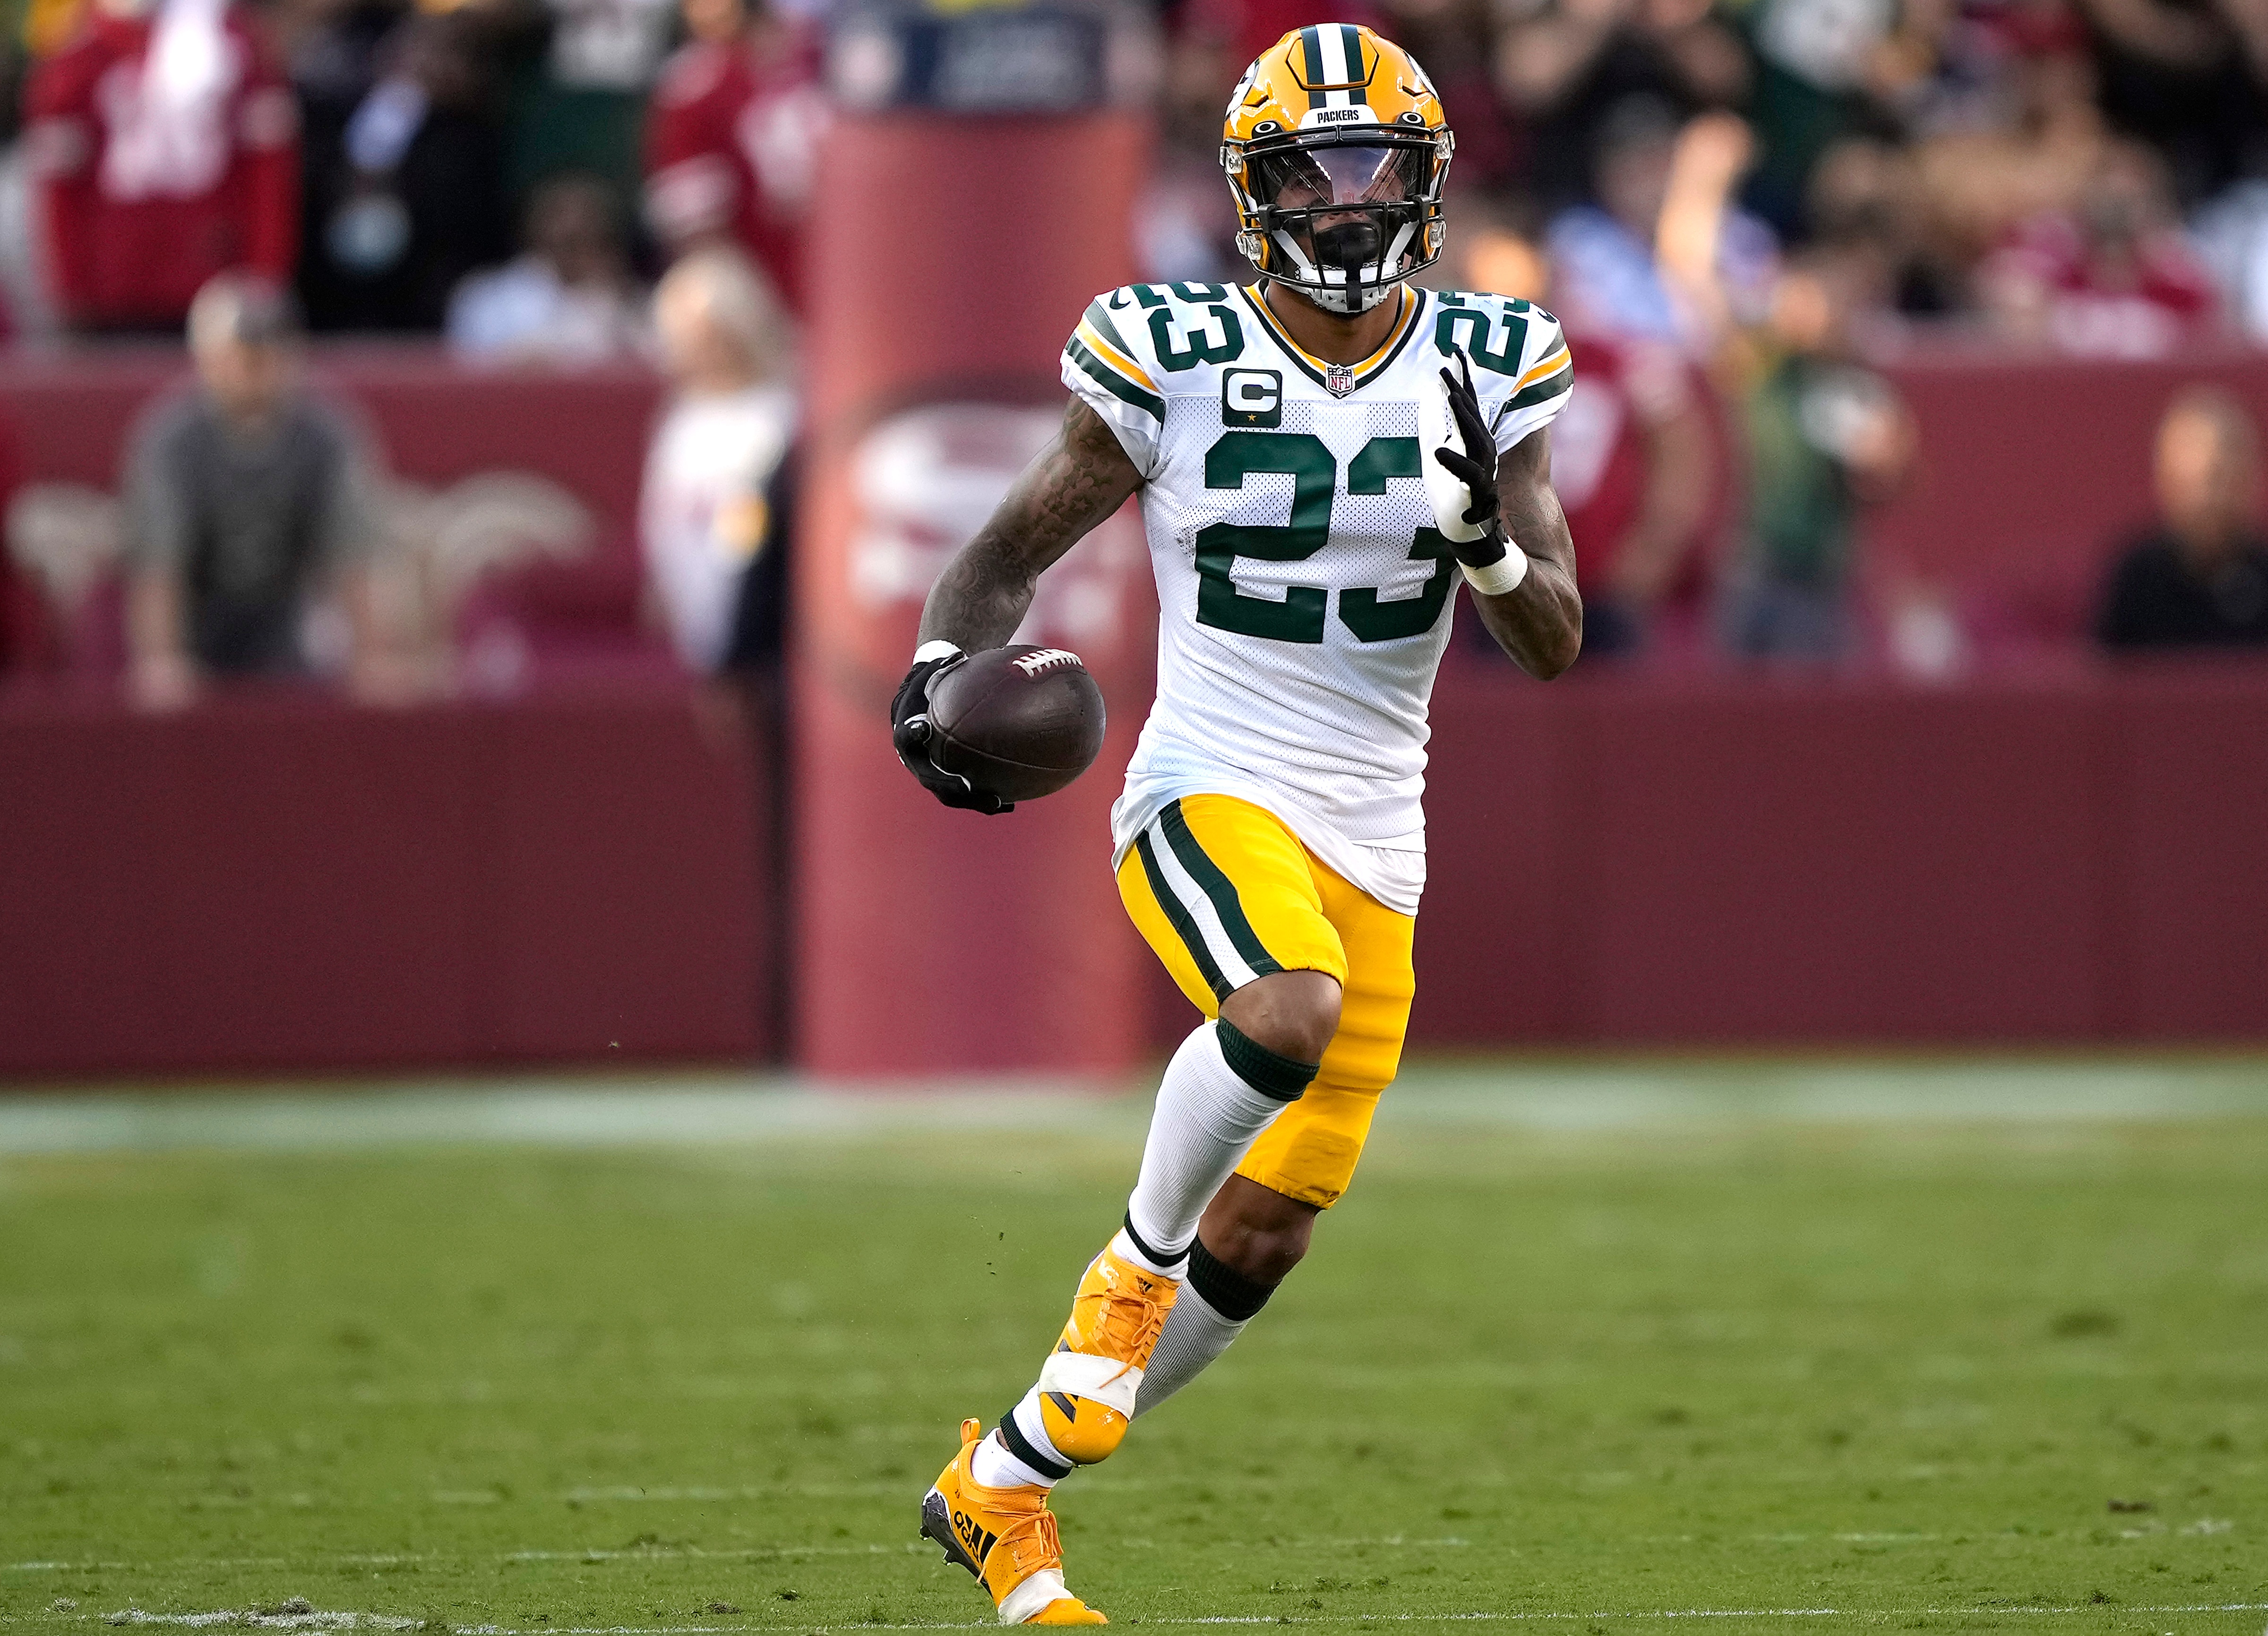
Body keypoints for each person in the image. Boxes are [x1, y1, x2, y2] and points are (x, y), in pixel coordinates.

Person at [891, 26, 1581, 1625]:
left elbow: (1551, 640)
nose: (1347, 206)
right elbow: (1006, 552)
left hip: (1377, 833)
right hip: (1208, 782)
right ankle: (1119, 1290)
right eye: (1313, 174)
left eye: (1376, 168)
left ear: (1427, 178)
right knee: (1282, 1013)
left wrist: (1486, 543)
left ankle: (1001, 1492)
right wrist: (937, 666)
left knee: (1267, 1233)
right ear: (1252, 195)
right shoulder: (1171, 347)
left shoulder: (1495, 356)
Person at [120, 273, 390, 708]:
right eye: (239, 356)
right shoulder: (172, 437)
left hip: (285, 633)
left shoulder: (326, 433)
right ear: (205, 357)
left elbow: (354, 555)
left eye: (268, 355)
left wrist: (372, 659)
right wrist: (161, 660)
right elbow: (158, 565)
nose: (254, 371)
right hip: (196, 632)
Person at [26, 0, 299, 334]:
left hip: (216, 283)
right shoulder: (75, 63)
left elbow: (268, 176)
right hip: (113, 291)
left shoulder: (238, 48)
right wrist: (71, 288)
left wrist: (264, 275)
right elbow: (60, 193)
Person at [638, 248, 795, 670]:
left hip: (758, 621)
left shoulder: (778, 415)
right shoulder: (681, 422)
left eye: (708, 337)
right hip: (691, 612)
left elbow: (754, 525)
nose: (698, 352)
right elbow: (661, 514)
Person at [641, 0, 823, 310]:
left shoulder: (828, 49)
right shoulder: (692, 88)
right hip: (773, 305)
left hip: (860, 288)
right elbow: (699, 239)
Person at [2095, 385, 2268, 648]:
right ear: (2165, 477)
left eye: (2222, 478)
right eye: (2196, 481)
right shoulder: (2136, 579)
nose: (2210, 499)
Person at [447, 172, 648, 364]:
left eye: (586, 237)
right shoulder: (487, 299)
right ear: (533, 231)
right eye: (568, 241)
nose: (572, 226)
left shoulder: (632, 300)